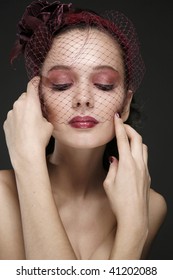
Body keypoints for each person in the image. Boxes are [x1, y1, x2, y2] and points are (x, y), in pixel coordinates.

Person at [0, 0, 167, 260]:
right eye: (61, 84)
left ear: (125, 105)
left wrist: (134, 228)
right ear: (37, 99)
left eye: (103, 84)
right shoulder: (2, 196)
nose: (83, 99)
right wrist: (28, 163)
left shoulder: (149, 204)